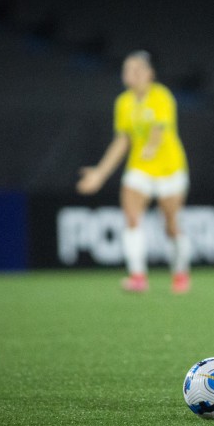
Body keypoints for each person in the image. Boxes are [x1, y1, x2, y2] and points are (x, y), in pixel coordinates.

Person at [77, 50, 192, 294]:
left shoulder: (161, 96)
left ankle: (180, 273)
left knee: (171, 225)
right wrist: (100, 173)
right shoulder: (123, 102)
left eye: (137, 70)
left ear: (150, 74)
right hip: (139, 167)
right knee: (131, 218)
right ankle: (138, 276)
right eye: (127, 70)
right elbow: (122, 141)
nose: (131, 74)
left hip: (170, 168)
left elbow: (159, 130)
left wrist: (151, 147)